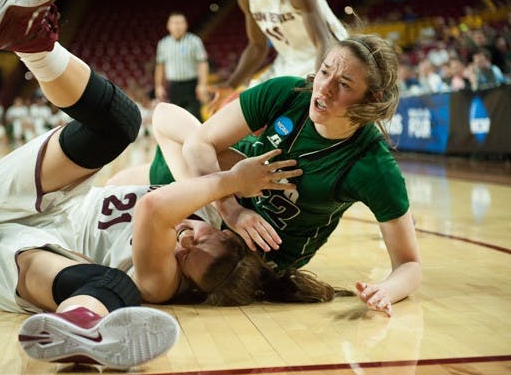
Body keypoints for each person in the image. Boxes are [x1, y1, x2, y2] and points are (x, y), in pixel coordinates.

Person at [0, 0, 333, 370]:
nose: (185, 240)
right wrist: (228, 204)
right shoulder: (207, 208)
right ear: (225, 234)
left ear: (191, 289)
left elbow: (152, 207)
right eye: (201, 239)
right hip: (43, 202)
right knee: (121, 124)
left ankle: (75, 327)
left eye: (186, 257)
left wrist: (230, 182)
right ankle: (32, 41)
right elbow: (165, 117)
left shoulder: (162, 281)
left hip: (20, 256)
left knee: (118, 288)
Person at [113, 33, 423, 317]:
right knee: (128, 172)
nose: (324, 88)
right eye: (325, 71)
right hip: (219, 191)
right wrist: (231, 208)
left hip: (251, 246)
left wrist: (387, 290)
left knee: (122, 192)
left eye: (343, 84)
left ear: (370, 100)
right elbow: (196, 141)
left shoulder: (372, 166)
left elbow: (409, 264)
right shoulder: (289, 92)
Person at [208, 0, 348, 113]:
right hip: (289, 62)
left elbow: (323, 42)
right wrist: (231, 85)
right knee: (247, 106)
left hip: (328, 59)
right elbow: (257, 46)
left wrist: (319, 84)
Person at [154, 11, 209, 121]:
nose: (177, 26)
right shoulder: (163, 44)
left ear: (186, 25)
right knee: (177, 118)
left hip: (192, 84)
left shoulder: (194, 41)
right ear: (168, 26)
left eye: (180, 22)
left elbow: (203, 63)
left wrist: (202, 84)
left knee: (195, 116)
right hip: (174, 87)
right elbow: (160, 67)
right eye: (174, 23)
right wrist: (158, 86)